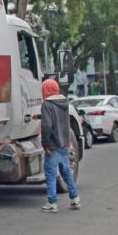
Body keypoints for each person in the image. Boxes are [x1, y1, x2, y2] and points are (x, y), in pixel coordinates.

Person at [40, 79, 81, 213]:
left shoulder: (47, 104)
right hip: (65, 143)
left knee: (51, 174)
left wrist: (45, 143)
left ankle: (52, 203)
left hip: (53, 144)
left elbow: (47, 125)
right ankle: (75, 198)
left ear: (46, 90)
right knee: (66, 171)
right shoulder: (64, 103)